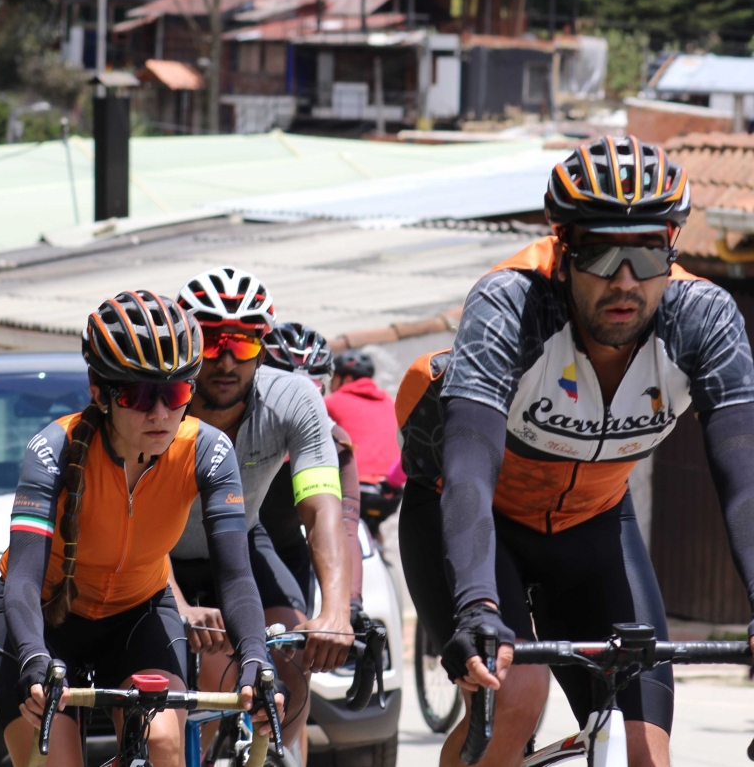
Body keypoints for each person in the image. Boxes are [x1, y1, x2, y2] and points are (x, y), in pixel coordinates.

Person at [397, 137, 754, 767]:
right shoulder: (512, 304)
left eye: (646, 253)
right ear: (563, 250)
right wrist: (477, 603)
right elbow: (470, 464)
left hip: (595, 524)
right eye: (600, 250)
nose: (624, 280)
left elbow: (745, 472)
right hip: (479, 521)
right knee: (514, 696)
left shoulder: (702, 318)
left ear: (672, 246)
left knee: (646, 752)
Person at [0, 290, 282, 767]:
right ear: (101, 393)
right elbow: (21, 577)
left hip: (138, 615)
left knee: (163, 747)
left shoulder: (209, 450)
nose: (160, 413)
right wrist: (34, 658)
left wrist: (255, 659)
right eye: (139, 395)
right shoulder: (51, 450)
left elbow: (235, 576)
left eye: (177, 393)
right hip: (40, 622)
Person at [168, 269, 353, 754]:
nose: (226, 360)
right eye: (210, 343)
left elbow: (322, 508)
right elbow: (127, 520)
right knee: (202, 688)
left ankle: (279, 757)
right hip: (154, 554)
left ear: (264, 346)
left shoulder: (294, 400)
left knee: (291, 666)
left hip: (241, 547)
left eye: (243, 344)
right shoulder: (156, 403)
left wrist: (334, 610)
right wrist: (181, 608)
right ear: (186, 342)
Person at [259, 322, 365, 620]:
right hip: (224, 552)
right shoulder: (234, 430)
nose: (296, 407)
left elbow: (345, 527)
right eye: (283, 391)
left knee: (296, 654)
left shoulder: (335, 442)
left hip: (289, 551)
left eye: (312, 392)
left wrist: (350, 603)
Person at [327, 351, 404, 536]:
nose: (330, 385)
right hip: (390, 493)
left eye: (333, 377)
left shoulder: (332, 402)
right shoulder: (390, 402)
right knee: (371, 532)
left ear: (345, 378)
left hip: (354, 489)